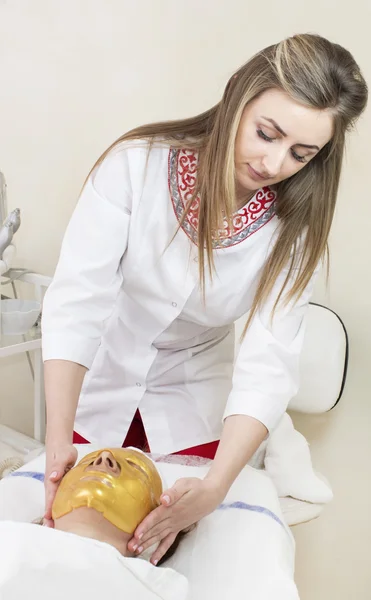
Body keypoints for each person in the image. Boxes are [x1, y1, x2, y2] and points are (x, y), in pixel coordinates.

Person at [41, 32, 368, 565]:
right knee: (76, 544)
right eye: (267, 133)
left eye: (300, 153)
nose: (274, 162)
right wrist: (58, 443)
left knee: (178, 554)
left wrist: (215, 486)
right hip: (101, 384)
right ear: (239, 94)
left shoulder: (293, 231)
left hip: (194, 406)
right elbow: (77, 303)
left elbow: (267, 363)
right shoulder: (134, 166)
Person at [0, 448, 188, 599]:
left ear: (157, 526)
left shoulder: (159, 588)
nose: (104, 458)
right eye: (87, 462)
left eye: (136, 467)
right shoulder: (8, 539)